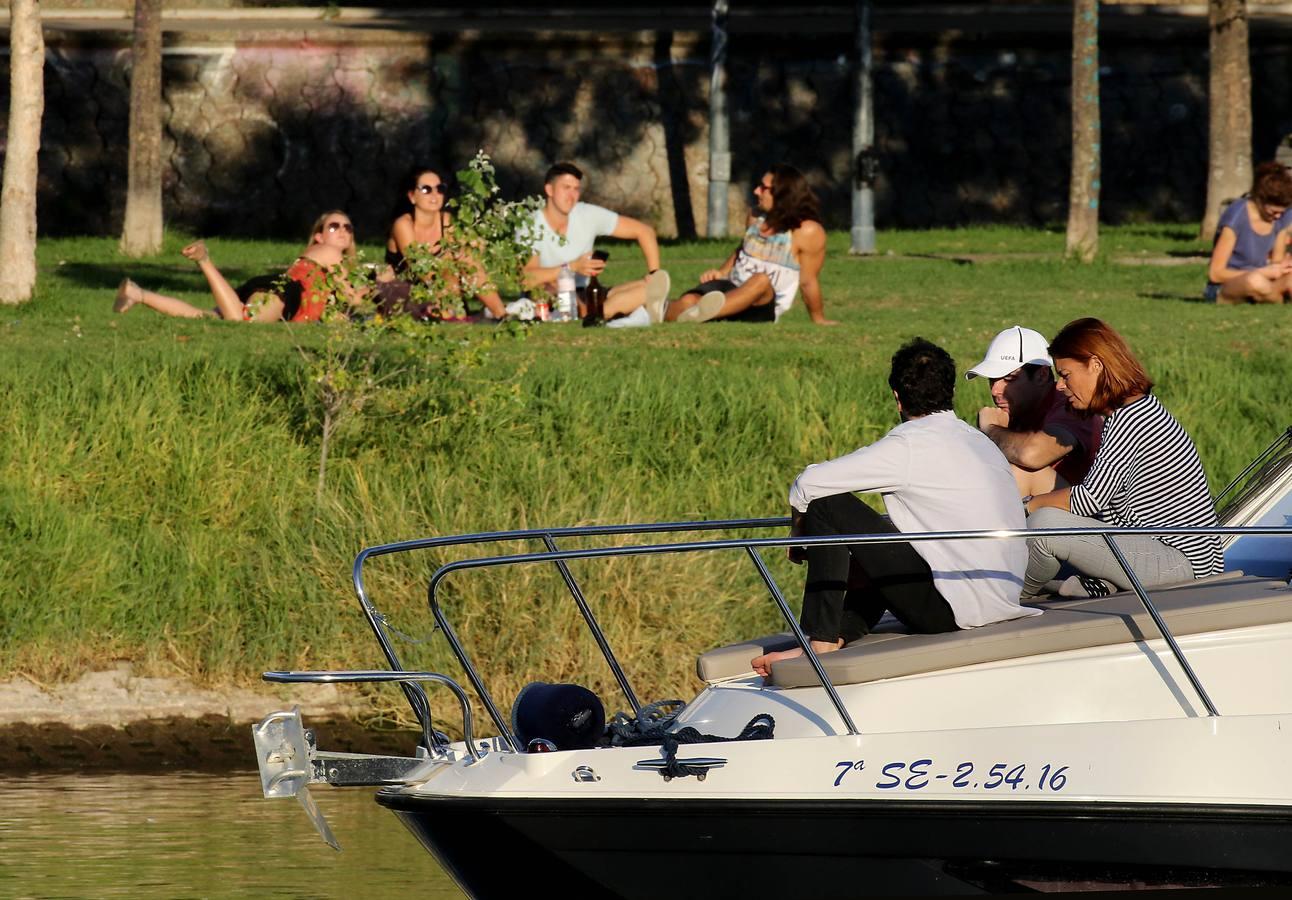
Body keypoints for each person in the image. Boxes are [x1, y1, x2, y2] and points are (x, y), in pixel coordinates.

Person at [751, 338, 1035, 678]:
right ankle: (842, 630)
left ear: (897, 398)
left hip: (951, 610)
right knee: (877, 535)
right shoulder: (977, 441)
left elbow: (808, 485)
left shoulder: (909, 445)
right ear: (950, 392)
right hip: (998, 598)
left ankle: (820, 641)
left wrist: (799, 534)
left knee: (827, 505)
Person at [1022, 318, 1223, 599]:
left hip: (1180, 563)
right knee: (1045, 512)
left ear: (1095, 365)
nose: (1060, 386)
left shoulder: (1131, 419)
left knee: (1042, 526)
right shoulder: (1135, 411)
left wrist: (1026, 506)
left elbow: (1088, 500)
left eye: (1065, 374)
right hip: (1158, 548)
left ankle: (1006, 598)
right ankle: (1087, 584)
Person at [665, 164, 836, 325]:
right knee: (688, 300)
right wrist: (722, 272)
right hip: (731, 288)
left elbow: (808, 281)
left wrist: (818, 319)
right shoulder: (755, 216)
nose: (756, 191)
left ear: (783, 194)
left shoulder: (807, 231)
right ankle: (655, 312)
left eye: (763, 188)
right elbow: (742, 250)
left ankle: (700, 314)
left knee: (761, 280)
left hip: (762, 305)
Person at [113, 210, 356, 322]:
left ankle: (137, 293)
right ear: (319, 237)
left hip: (270, 293)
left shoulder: (321, 255)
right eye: (334, 226)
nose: (342, 231)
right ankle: (204, 260)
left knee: (204, 317)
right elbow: (352, 298)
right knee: (240, 321)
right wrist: (383, 286)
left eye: (348, 227)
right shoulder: (330, 252)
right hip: (282, 294)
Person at [522, 161, 671, 324]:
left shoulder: (587, 214)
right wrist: (571, 267)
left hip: (587, 293)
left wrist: (653, 274)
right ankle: (602, 313)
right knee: (546, 288)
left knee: (647, 288)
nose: (571, 196)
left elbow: (644, 231)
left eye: (576, 189)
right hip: (550, 293)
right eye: (566, 188)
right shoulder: (531, 225)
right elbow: (527, 278)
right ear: (549, 190)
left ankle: (596, 314)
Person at [968, 325, 1103, 498]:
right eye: (992, 380)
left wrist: (992, 428)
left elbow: (1031, 455)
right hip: (1051, 513)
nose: (995, 391)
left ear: (1041, 375)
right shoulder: (1019, 410)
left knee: (1024, 472)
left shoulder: (1070, 405)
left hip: (1090, 517)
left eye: (1009, 379)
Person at [382, 165, 508, 320]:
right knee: (452, 263)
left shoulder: (446, 221)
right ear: (412, 196)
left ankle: (501, 315)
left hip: (445, 285)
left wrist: (472, 246)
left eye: (439, 188)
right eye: (426, 189)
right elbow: (420, 268)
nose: (434, 194)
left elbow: (476, 249)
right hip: (410, 290)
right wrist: (451, 257)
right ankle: (455, 316)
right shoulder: (403, 224)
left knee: (467, 258)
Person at [1205, 161, 1292, 304]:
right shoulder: (1236, 217)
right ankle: (1277, 299)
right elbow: (1215, 273)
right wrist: (1263, 272)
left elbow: (1277, 260)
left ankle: (1269, 297)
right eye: (1273, 212)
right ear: (1259, 199)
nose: (1277, 217)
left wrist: (1283, 267)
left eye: (1281, 213)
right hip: (1228, 284)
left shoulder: (1282, 216)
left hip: (1264, 280)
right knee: (1255, 281)